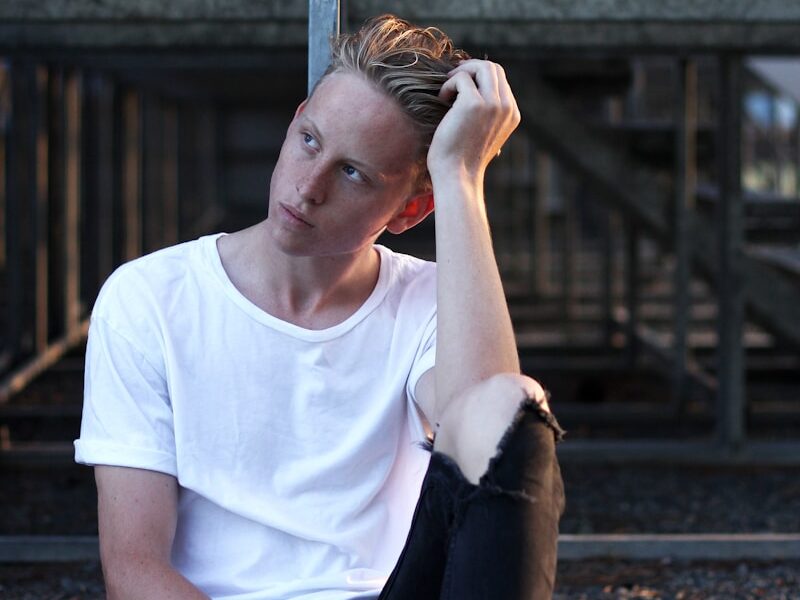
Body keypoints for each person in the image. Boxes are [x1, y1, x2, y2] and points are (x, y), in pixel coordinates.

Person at [75, 14, 565, 600]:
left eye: (352, 173)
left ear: (409, 211)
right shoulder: (149, 297)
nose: (308, 188)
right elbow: (132, 571)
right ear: (294, 121)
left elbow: (491, 437)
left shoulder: (427, 302)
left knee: (514, 400)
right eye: (309, 140)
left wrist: (460, 176)